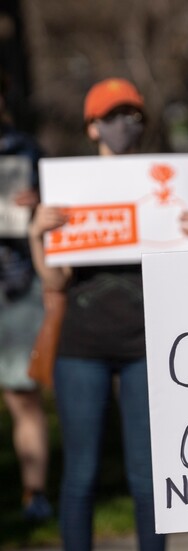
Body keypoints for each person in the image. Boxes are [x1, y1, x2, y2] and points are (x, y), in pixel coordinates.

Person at [28, 78, 188, 551]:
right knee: (81, 475)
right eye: (111, 117)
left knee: (149, 477)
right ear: (92, 128)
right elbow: (54, 281)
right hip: (81, 346)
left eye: (132, 116)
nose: (123, 126)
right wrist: (37, 237)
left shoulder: (169, 190)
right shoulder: (70, 192)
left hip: (146, 346)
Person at [0, 77, 53, 523]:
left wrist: (41, 201)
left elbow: (63, 211)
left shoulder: (26, 149)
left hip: (16, 286)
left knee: (22, 395)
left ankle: (33, 494)